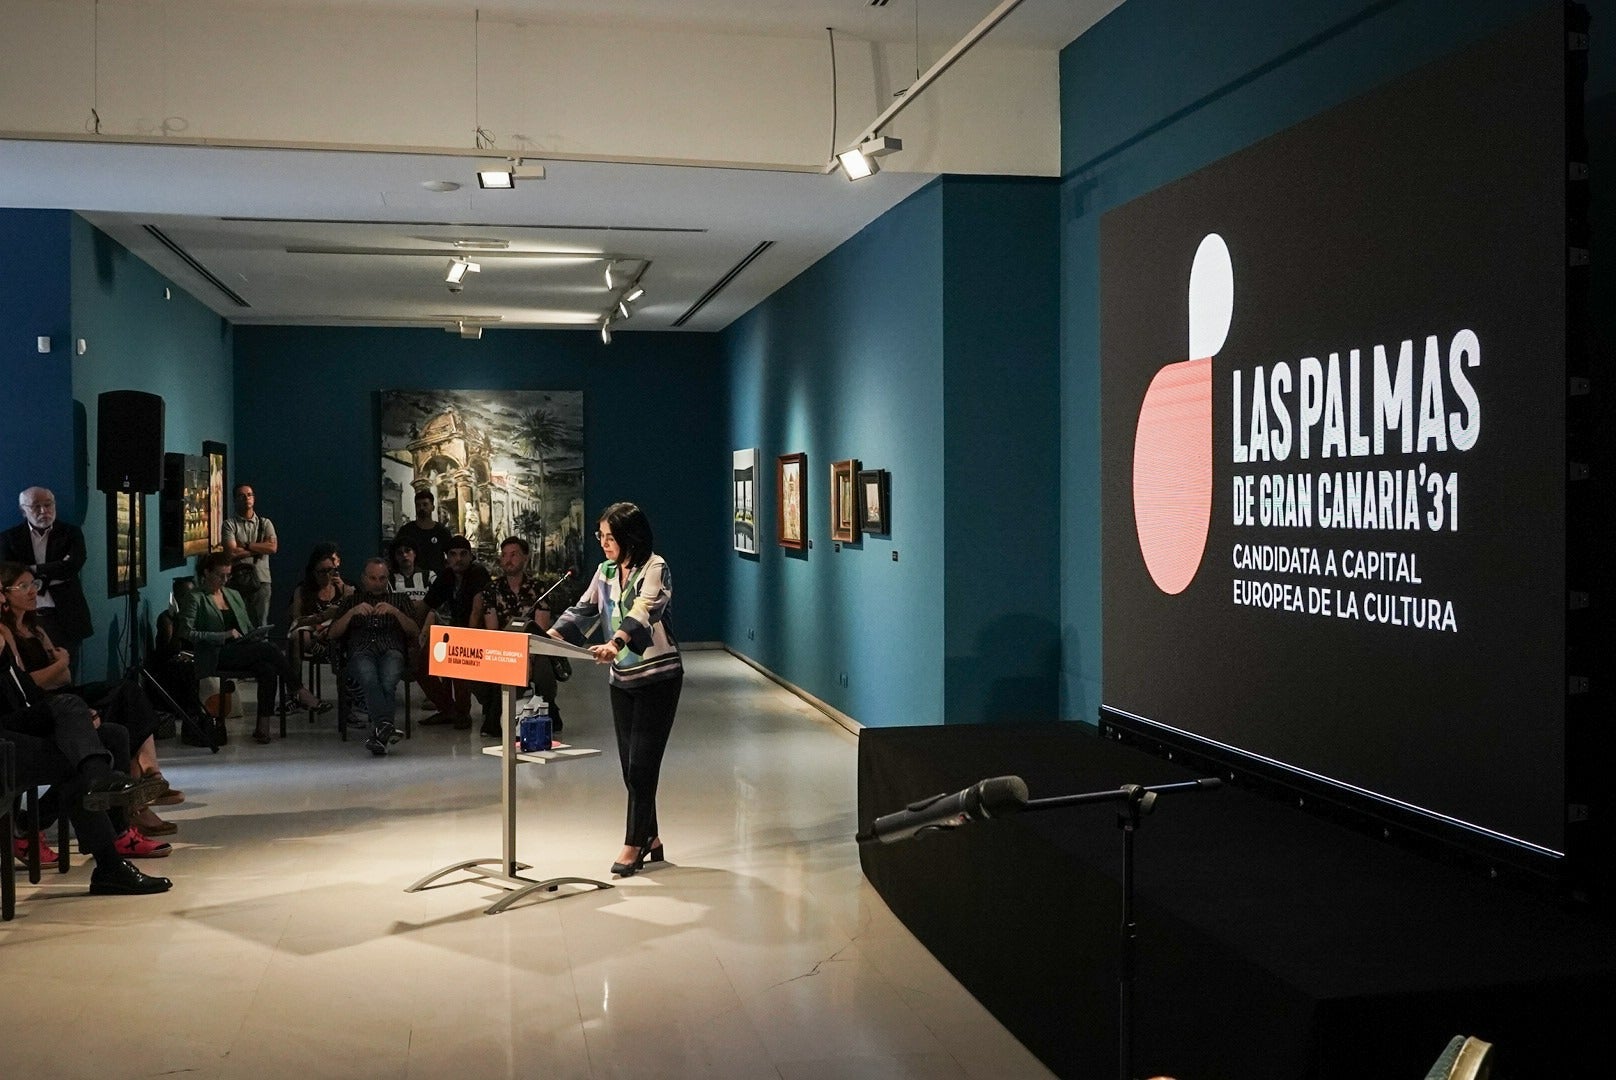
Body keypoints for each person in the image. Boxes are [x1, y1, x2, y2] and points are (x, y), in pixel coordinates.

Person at [2, 560, 181, 846]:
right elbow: (29, 685)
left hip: (59, 696)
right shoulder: (6, 633)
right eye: (23, 586)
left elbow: (64, 677)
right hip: (40, 706)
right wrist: (59, 662)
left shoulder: (36, 627)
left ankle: (144, 779)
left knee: (127, 697)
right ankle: (130, 799)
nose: (32, 591)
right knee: (98, 730)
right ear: (5, 595)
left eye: (33, 585)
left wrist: (59, 669)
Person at [549, 503, 682, 878]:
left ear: (630, 538)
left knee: (642, 766)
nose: (604, 544)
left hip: (659, 676)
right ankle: (652, 836)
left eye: (610, 537)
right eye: (601, 537)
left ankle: (633, 844)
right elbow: (584, 610)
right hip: (622, 679)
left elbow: (643, 611)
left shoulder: (655, 567)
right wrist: (550, 638)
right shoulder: (605, 571)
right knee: (630, 768)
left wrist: (616, 643)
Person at [2, 623, 173, 892]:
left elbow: (29, 692)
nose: (1, 599)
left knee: (111, 735)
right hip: (6, 738)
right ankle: (109, 862)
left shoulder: (12, 633)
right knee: (75, 738)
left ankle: (115, 835)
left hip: (24, 724)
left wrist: (78, 721)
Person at [180, 551, 326, 744]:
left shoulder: (232, 594)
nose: (224, 580)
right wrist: (221, 635)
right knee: (269, 649)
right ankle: (299, 691)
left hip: (240, 648)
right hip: (216, 653)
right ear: (206, 573)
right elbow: (186, 632)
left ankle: (262, 727)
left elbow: (246, 625)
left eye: (227, 575)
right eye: (220, 575)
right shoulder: (196, 597)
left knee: (268, 669)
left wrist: (253, 633)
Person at [470, 536, 560, 739]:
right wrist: (511, 656)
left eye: (513, 555)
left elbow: (541, 631)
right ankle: (494, 711)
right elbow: (493, 631)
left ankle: (545, 710)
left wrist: (526, 657)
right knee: (478, 672)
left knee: (544, 670)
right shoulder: (491, 589)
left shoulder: (539, 588)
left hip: (533, 649)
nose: (507, 560)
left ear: (525, 558)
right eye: (504, 555)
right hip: (503, 648)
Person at [327, 557, 419, 756]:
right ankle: (385, 728)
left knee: (388, 679)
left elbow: (414, 631)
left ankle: (381, 731)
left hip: (391, 649)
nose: (377, 583)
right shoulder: (352, 601)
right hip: (361, 650)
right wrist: (352, 613)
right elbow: (333, 633)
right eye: (373, 578)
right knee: (369, 678)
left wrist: (395, 612)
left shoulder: (400, 600)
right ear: (364, 579)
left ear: (388, 579)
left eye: (382, 578)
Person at [2, 487, 93, 668]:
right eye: (36, 506)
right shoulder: (9, 538)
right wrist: (56, 569)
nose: (44, 511)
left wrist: (31, 569)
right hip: (27, 618)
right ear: (23, 510)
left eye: (48, 504)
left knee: (66, 671)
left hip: (66, 615)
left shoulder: (70, 533)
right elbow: (10, 575)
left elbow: (73, 565)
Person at [418, 534, 491, 730]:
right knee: (420, 660)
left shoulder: (478, 572)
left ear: (470, 556)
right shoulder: (447, 575)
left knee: (458, 660)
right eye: (453, 554)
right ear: (447, 557)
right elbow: (426, 605)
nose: (458, 559)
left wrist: (465, 639)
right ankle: (447, 708)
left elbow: (477, 611)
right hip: (453, 631)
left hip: (479, 632)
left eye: (463, 554)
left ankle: (462, 712)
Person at [287, 543, 351, 674]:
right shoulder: (303, 590)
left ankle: (347, 686)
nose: (327, 575)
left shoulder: (344, 588)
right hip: (313, 636)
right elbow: (296, 621)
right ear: (314, 572)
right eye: (322, 572)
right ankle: (295, 686)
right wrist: (322, 618)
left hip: (336, 634)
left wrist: (346, 593)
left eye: (330, 571)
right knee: (300, 635)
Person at [221, 483, 277, 628]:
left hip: (262, 580)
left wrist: (245, 545)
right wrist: (259, 548)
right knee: (239, 623)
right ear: (235, 500)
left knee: (260, 623)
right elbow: (231, 552)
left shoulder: (265, 524)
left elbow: (272, 547)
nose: (247, 498)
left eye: (249, 495)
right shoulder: (229, 525)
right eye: (242, 495)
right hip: (238, 579)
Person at [392, 489, 452, 575]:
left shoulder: (442, 531)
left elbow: (451, 555)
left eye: (425, 504)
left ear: (433, 507)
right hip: (413, 579)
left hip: (437, 580)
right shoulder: (406, 530)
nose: (421, 508)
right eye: (418, 505)